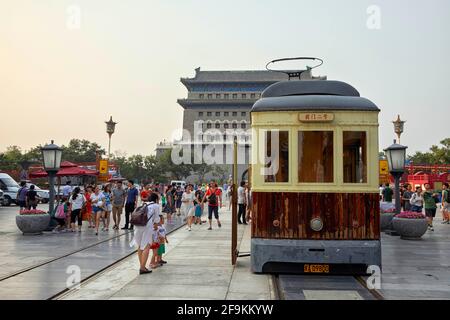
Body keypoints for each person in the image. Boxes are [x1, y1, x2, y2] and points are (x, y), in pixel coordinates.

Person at [132, 192, 161, 274]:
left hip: (137, 225)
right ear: (156, 199)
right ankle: (142, 268)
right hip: (147, 226)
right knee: (146, 246)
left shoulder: (143, 204)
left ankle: (142, 265)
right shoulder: (156, 206)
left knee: (140, 246)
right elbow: (157, 220)